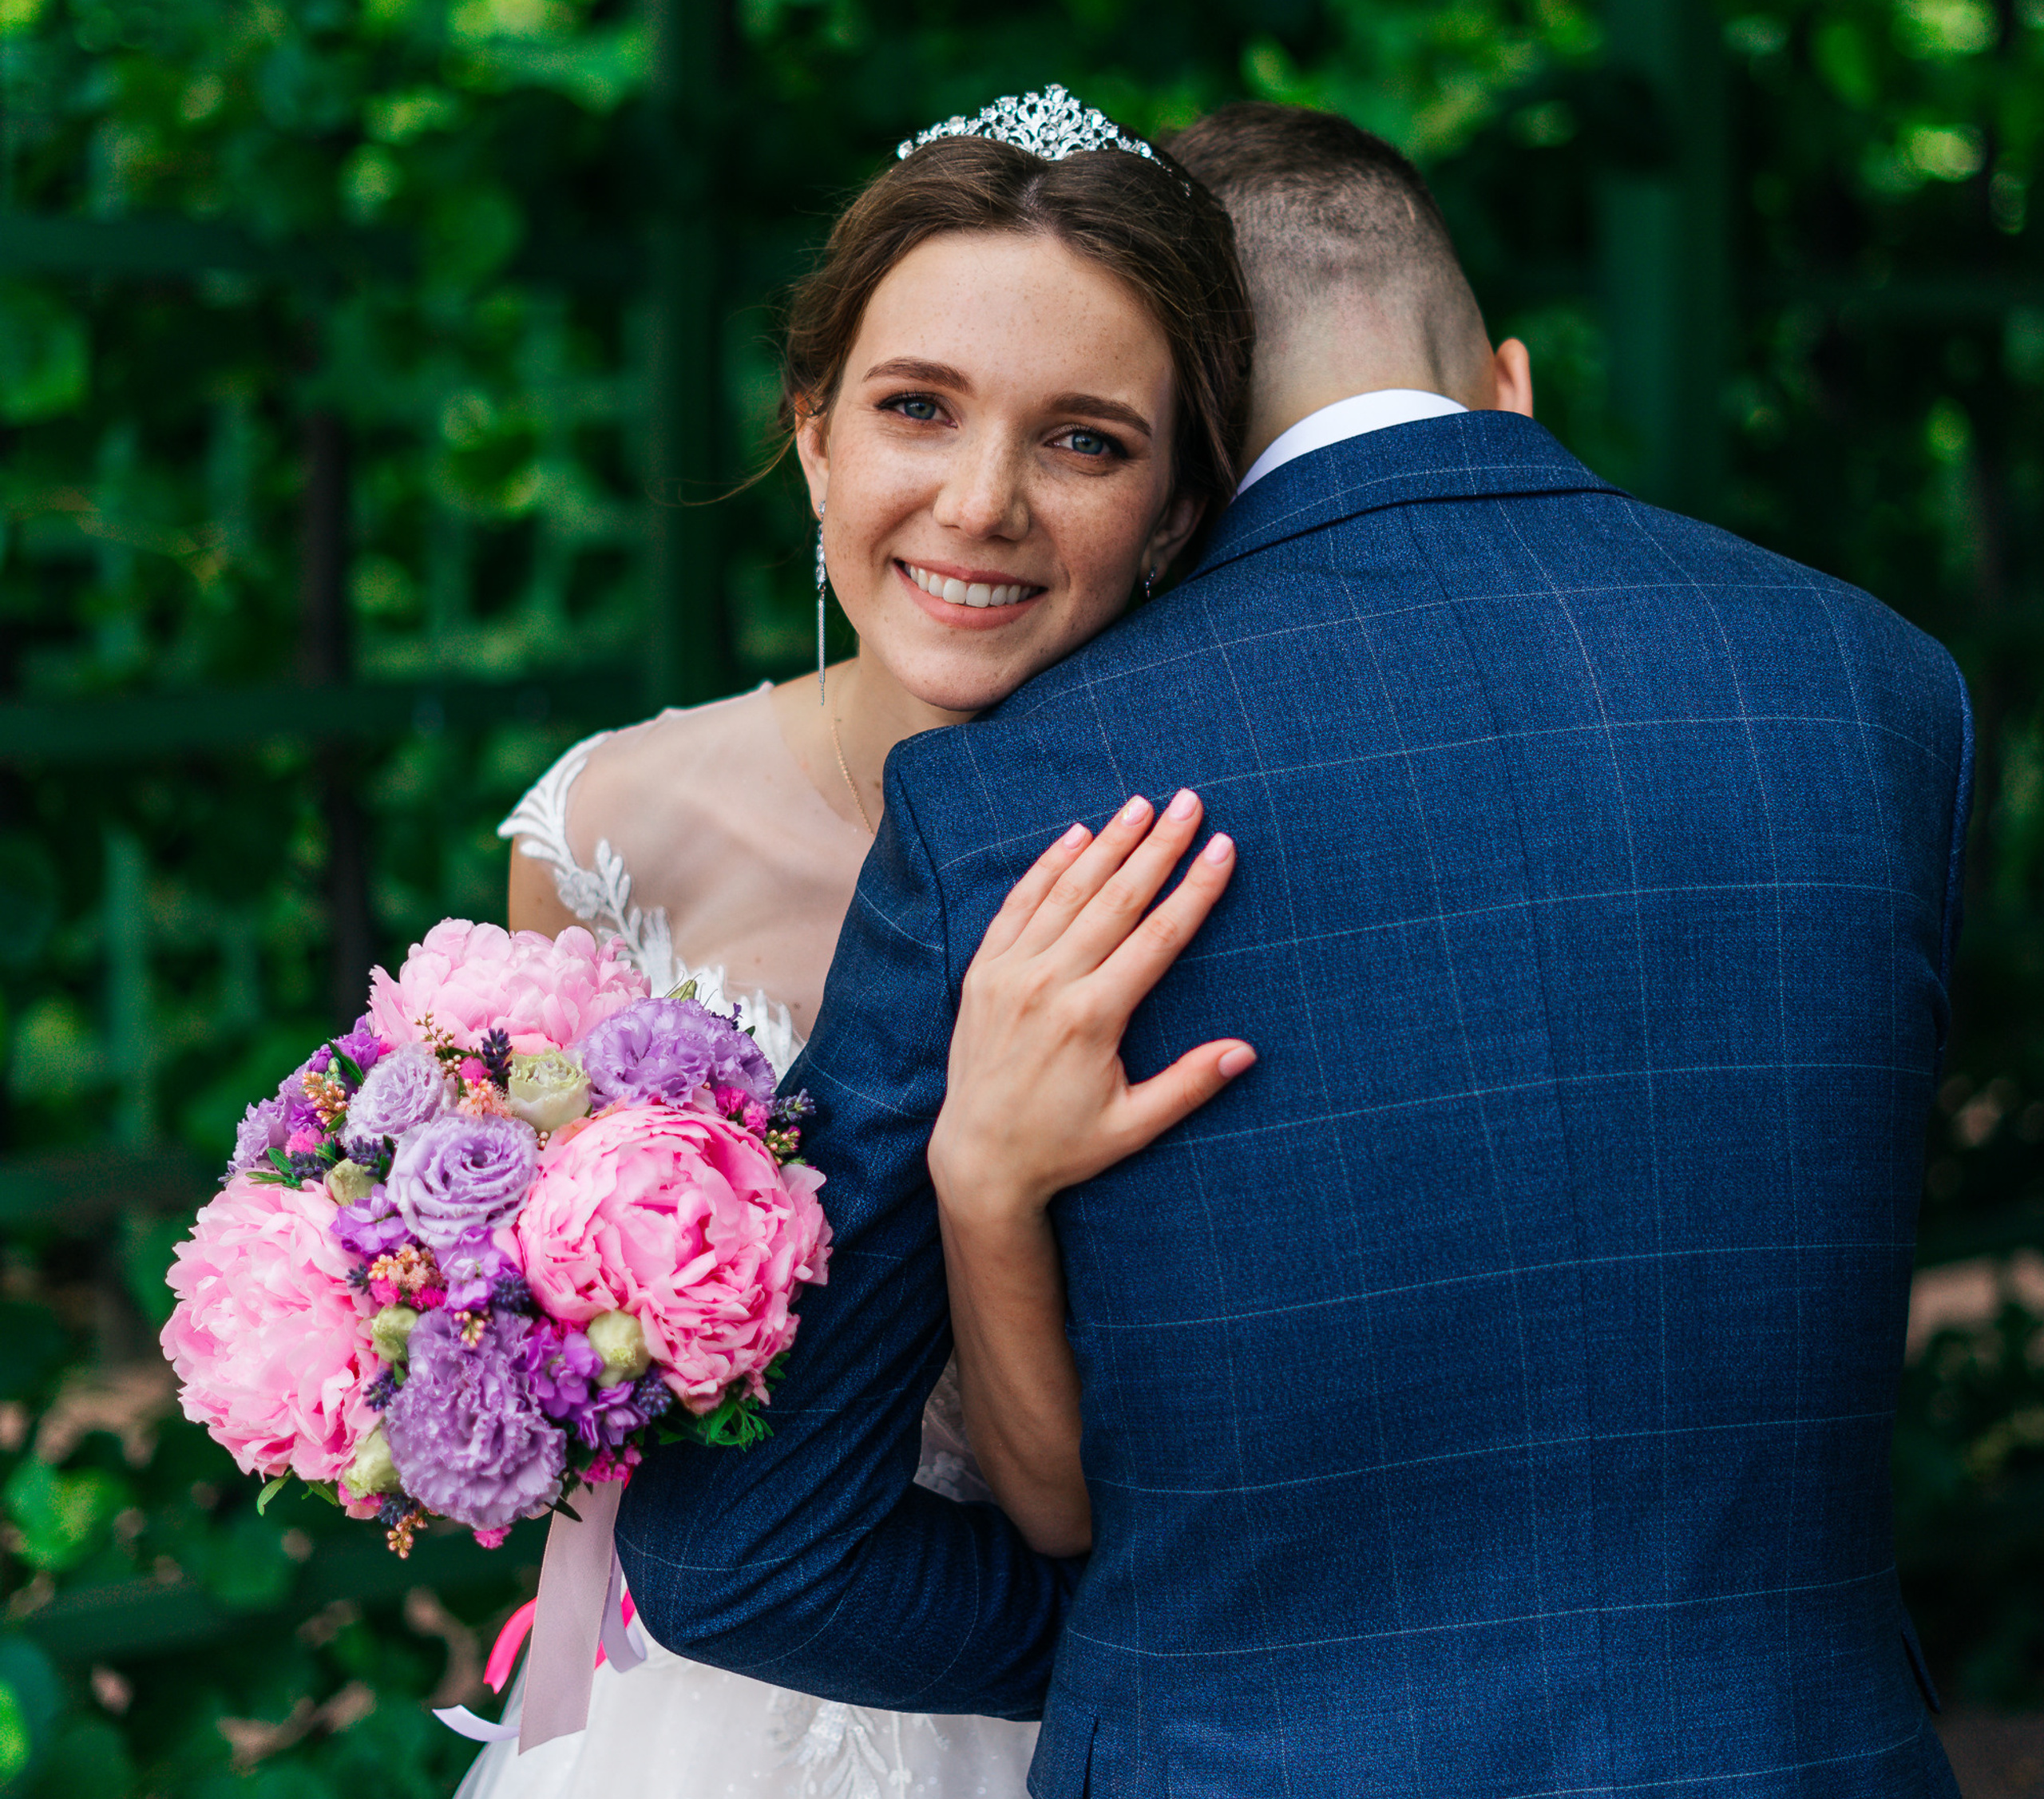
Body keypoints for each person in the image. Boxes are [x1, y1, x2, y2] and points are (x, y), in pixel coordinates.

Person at [617, 101, 1974, 1799]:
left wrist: (1165, 1646)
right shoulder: (1879, 693)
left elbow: (747, 1551)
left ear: (1191, 475)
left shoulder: (1018, 807)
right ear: (1507, 381)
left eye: (1082, 437)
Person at [461, 88, 1256, 1799]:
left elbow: (1123, 1487)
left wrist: (992, 1184)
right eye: (917, 408)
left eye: (1084, 441)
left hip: (1069, 1701)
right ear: (813, 435)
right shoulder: (608, 832)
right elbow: (563, 1385)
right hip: (695, 1710)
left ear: (1180, 508)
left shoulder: (1201, 875)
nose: (980, 502)